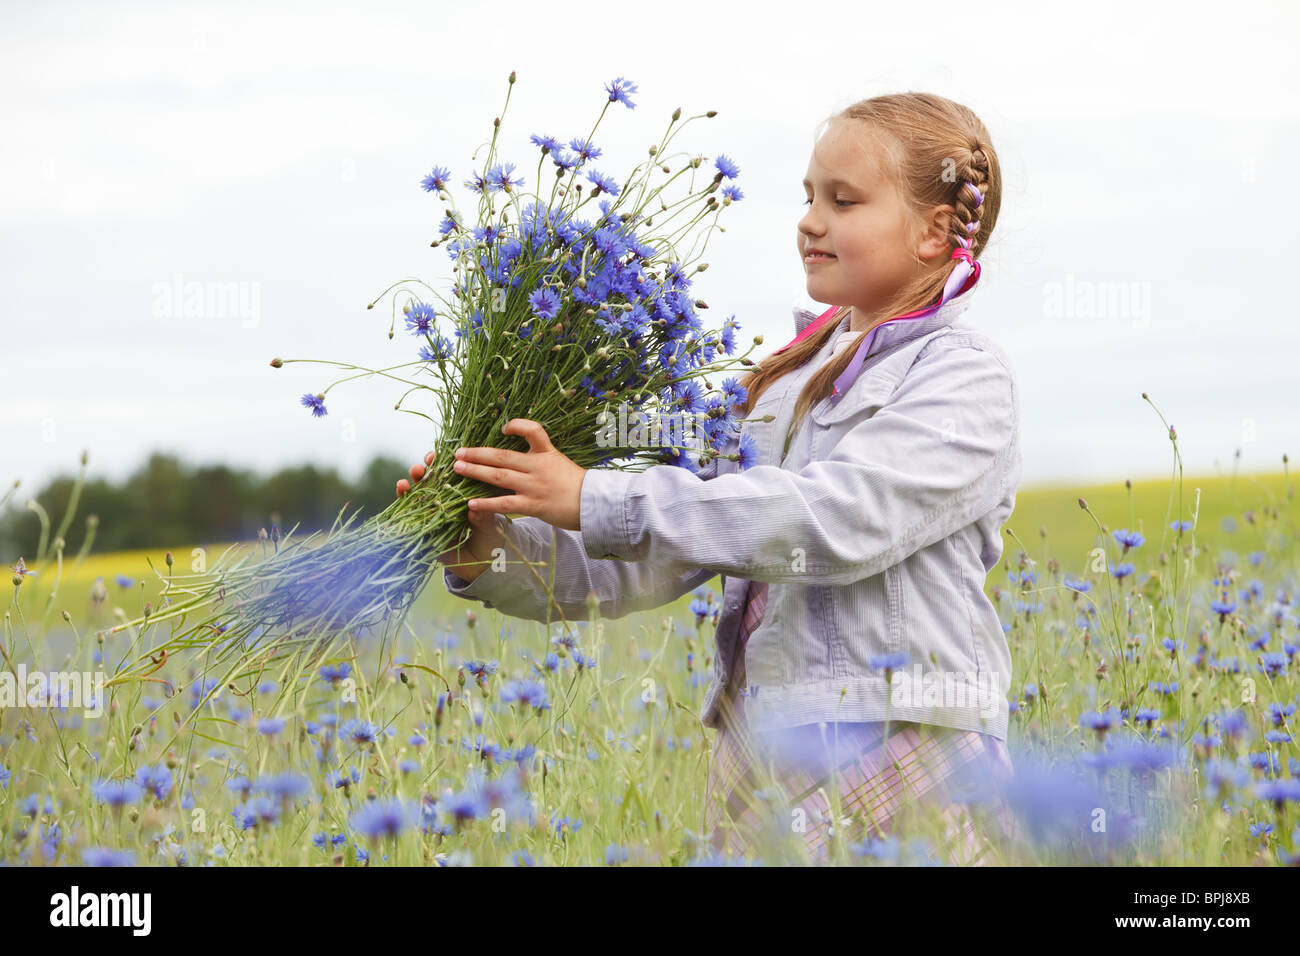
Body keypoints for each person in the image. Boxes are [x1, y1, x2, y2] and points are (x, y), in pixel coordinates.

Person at [399, 92, 1023, 864]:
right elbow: (652, 554)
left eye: (844, 200)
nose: (810, 220)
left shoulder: (964, 378)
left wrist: (594, 495)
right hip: (759, 750)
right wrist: (492, 549)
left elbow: (834, 521)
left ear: (935, 231)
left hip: (901, 745)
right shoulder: (778, 387)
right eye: (807, 196)